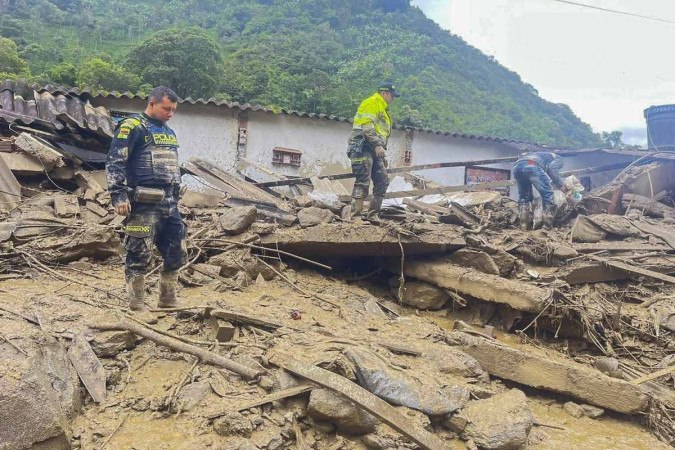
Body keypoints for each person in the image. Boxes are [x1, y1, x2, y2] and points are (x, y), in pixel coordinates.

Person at [106, 86, 185, 321]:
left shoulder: (168, 132)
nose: (170, 113)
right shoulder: (132, 127)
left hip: (170, 203)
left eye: (173, 110)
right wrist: (118, 195)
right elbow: (115, 162)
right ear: (152, 104)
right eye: (166, 108)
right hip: (143, 204)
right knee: (138, 251)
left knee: (177, 249)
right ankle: (136, 301)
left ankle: (167, 298)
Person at [347, 81, 400, 220]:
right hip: (361, 146)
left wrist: (381, 155)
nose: (393, 99)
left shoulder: (382, 108)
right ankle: (356, 217)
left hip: (373, 149)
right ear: (384, 93)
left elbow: (379, 132)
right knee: (363, 180)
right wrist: (377, 145)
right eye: (392, 95)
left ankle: (373, 215)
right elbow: (367, 126)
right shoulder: (372, 103)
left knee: (382, 181)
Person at [513, 151, 565, 230]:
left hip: (517, 167)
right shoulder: (559, 159)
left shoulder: (538, 154)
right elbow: (552, 170)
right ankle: (547, 226)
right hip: (532, 164)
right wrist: (561, 185)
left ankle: (523, 227)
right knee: (548, 194)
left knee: (524, 197)